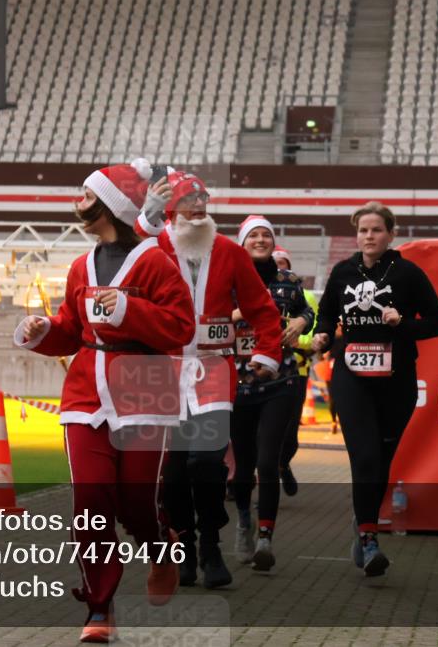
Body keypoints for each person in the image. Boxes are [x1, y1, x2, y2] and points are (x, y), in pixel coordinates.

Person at [14, 159, 195, 643]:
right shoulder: (80, 266)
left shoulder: (156, 261)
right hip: (86, 395)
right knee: (91, 504)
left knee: (137, 503)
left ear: (111, 204)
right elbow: (72, 330)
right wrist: (44, 331)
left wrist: (129, 310)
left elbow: (181, 328)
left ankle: (161, 548)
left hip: (145, 392)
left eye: (87, 193)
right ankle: (99, 607)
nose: (79, 201)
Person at [141, 171, 283, 589]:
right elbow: (122, 248)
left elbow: (261, 308)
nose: (199, 206)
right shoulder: (153, 246)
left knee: (206, 459)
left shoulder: (227, 250)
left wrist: (267, 354)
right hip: (163, 370)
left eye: (202, 198)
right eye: (189, 200)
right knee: (173, 470)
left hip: (214, 369)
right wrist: (146, 215)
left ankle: (210, 543)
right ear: (171, 210)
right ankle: (183, 544)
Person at [311, 201, 438, 577]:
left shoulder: (407, 274)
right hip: (351, 375)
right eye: (362, 230)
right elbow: (326, 312)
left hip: (397, 380)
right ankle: (370, 539)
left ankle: (363, 518)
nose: (368, 236)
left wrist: (401, 322)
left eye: (375, 230)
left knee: (381, 460)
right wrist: (323, 332)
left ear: (390, 234)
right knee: (367, 455)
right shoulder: (342, 272)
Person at [231, 216, 315, 571]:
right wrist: (238, 312)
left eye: (267, 234)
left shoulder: (289, 281)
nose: (261, 239)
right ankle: (244, 522)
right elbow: (211, 317)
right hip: (237, 383)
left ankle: (266, 536)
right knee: (242, 468)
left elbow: (308, 311)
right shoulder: (227, 279)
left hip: (281, 381)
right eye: (254, 235)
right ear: (242, 242)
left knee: (268, 461)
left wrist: (301, 321)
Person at [271, 246, 320, 496]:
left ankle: (282, 463)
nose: (280, 268)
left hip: (296, 372)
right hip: (262, 372)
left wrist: (293, 341)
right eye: (275, 263)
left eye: (284, 263)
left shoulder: (306, 295)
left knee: (289, 434)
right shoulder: (258, 290)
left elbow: (311, 335)